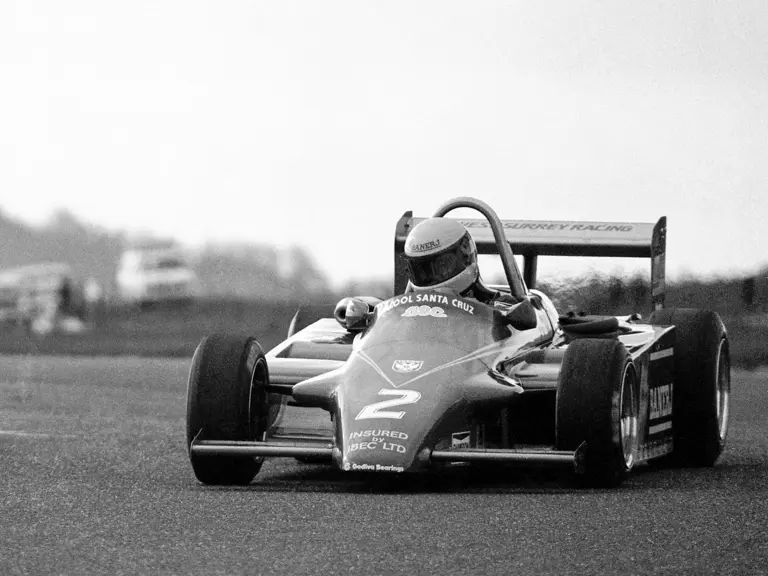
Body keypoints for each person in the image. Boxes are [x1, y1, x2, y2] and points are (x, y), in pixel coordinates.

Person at [402, 217, 519, 307]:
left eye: (443, 265)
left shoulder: (498, 305)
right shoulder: (406, 312)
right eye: (422, 270)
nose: (432, 275)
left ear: (465, 256)